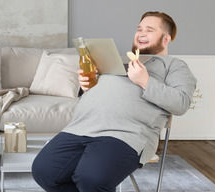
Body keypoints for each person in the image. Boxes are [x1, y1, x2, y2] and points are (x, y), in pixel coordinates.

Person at [32, 11, 197, 192]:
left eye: (149, 30)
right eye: (139, 29)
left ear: (166, 39)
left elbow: (181, 103)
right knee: (44, 172)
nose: (141, 33)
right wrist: (88, 85)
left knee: (91, 179)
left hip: (126, 133)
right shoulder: (118, 61)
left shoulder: (174, 66)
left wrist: (145, 81)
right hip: (80, 127)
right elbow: (103, 94)